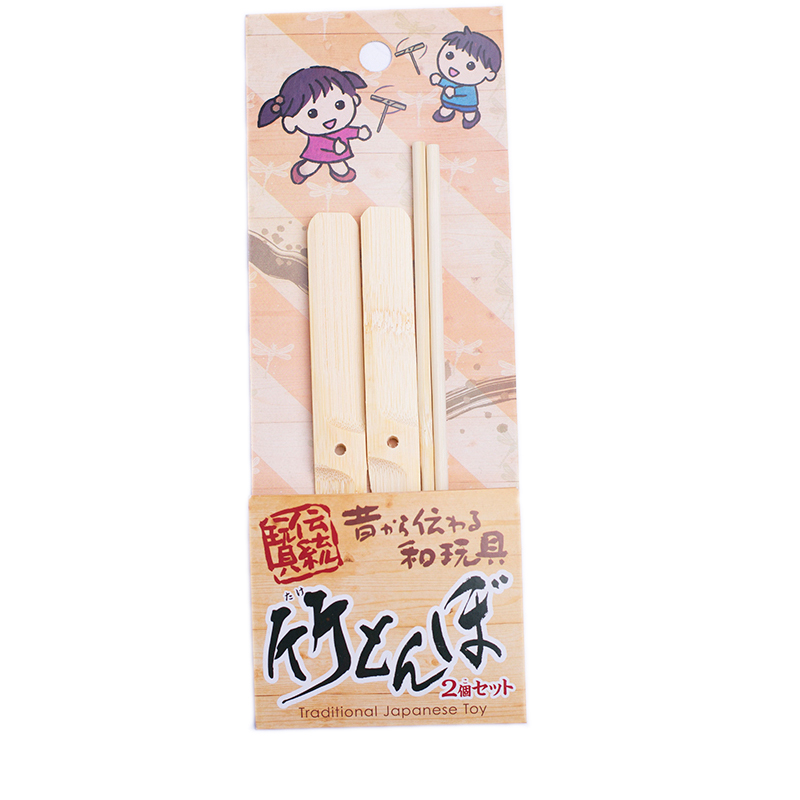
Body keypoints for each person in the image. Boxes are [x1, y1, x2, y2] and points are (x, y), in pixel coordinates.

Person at [258, 66, 372, 184]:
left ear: (354, 100)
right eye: (312, 113)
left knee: (340, 167)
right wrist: (334, 146)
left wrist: (359, 132)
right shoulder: (315, 131)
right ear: (291, 121)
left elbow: (347, 132)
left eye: (339, 105)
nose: (329, 117)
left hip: (338, 154)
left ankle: (342, 174)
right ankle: (300, 171)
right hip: (317, 154)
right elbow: (320, 143)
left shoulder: (339, 129)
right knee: (310, 167)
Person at [429, 26, 502, 130]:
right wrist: (438, 80)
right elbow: (446, 82)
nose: (455, 66)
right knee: (445, 110)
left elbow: (465, 91)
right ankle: (447, 114)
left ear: (489, 74)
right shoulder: (451, 80)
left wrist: (454, 91)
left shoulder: (469, 87)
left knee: (469, 115)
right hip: (449, 101)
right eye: (449, 55)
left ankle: (471, 118)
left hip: (467, 103)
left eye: (470, 66)